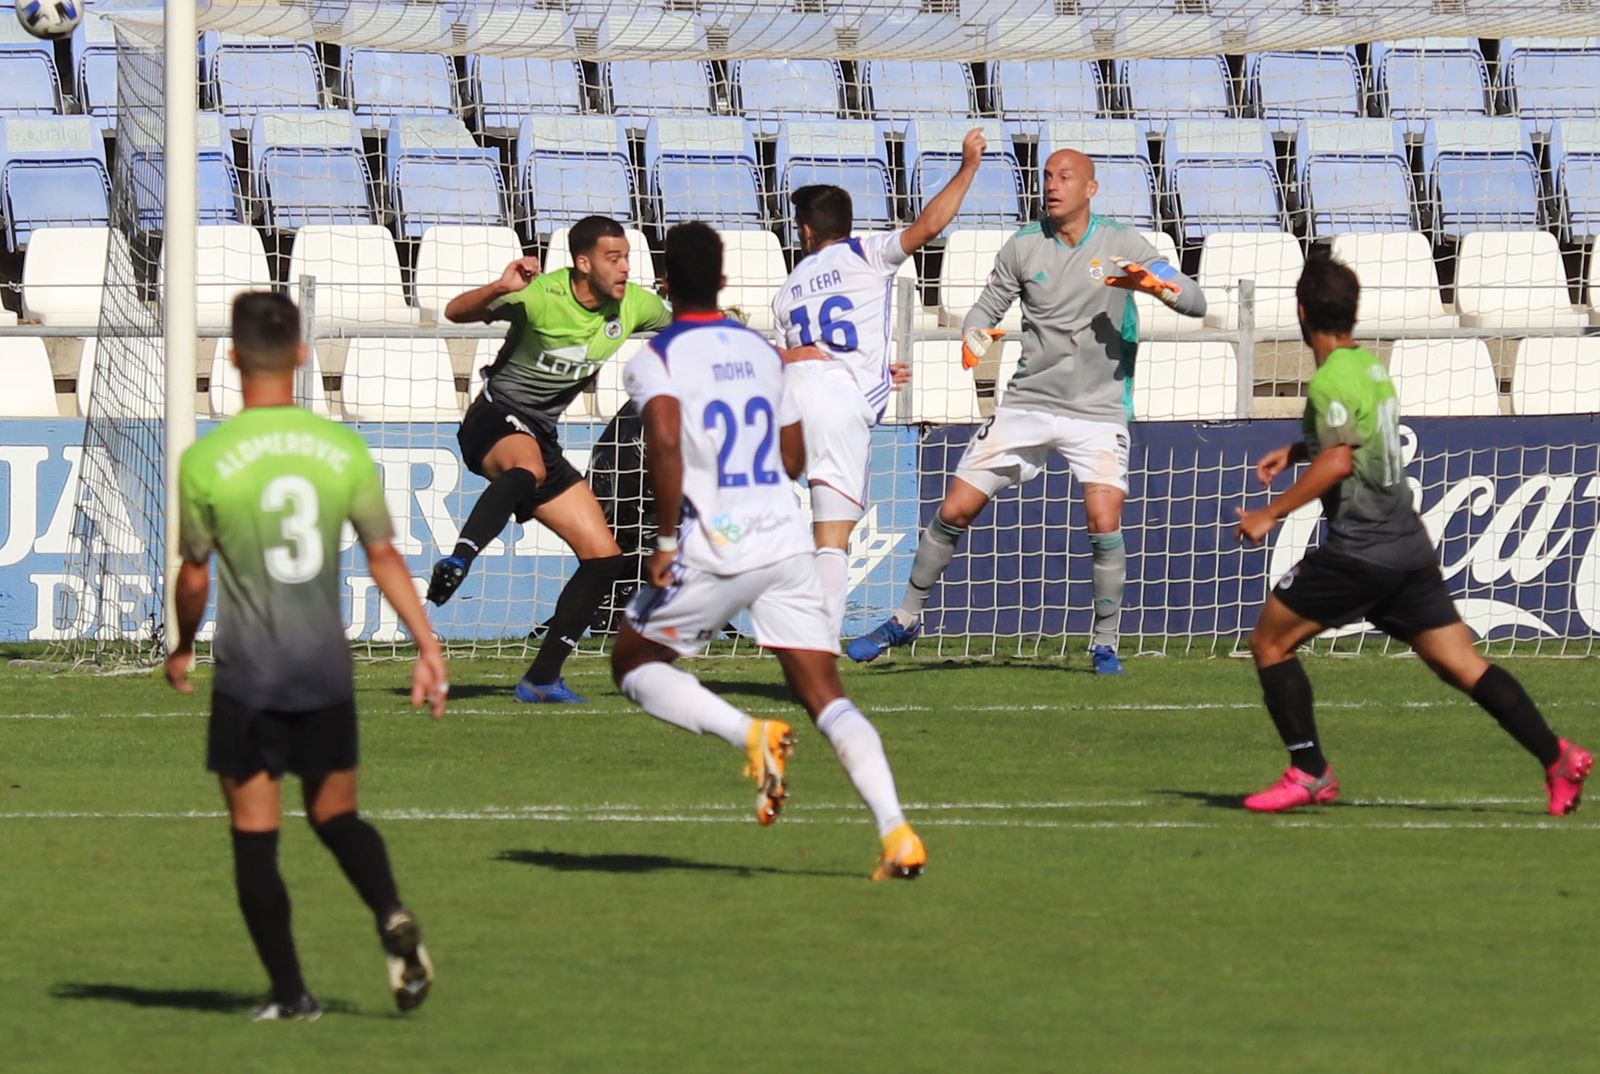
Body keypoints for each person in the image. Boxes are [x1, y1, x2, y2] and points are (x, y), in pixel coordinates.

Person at [611, 221, 926, 880]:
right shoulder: (760, 353)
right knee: (825, 695)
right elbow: (791, 455)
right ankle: (896, 831)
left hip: (717, 541)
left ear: (663, 284)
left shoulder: (656, 359)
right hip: (786, 538)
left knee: (634, 662)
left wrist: (667, 540)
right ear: (724, 282)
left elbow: (664, 443)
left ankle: (749, 735)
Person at [165, 292, 449, 1020]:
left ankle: (293, 996)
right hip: (324, 670)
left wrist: (182, 645)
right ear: (300, 355)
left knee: (255, 839)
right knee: (335, 816)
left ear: (230, 359)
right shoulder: (342, 450)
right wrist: (425, 642)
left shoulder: (207, 460)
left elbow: (194, 575)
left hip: (252, 675)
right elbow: (382, 553)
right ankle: (388, 909)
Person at [1232, 249, 1591, 814]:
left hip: (1361, 551)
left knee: (1270, 643)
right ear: (1351, 312)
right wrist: (1299, 449)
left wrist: (1268, 513)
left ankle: (1309, 771)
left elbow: (1340, 462)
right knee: (1462, 665)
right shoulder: (1368, 365)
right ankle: (1557, 757)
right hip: (1405, 546)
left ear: (1301, 313)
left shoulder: (1329, 381)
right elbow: (1355, 439)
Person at [848, 149, 1207, 673]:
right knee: (955, 510)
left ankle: (1104, 642)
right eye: (1047, 176)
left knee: (1103, 518)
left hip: (1098, 409)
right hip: (1027, 403)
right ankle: (905, 619)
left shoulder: (1121, 242)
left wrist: (1161, 287)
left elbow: (1196, 302)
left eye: (1066, 177)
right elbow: (985, 308)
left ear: (1091, 188)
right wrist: (973, 332)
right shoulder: (1022, 246)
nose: (1053, 185)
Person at [432, 215, 672, 703]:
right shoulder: (541, 295)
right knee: (527, 469)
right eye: (613, 258)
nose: (625, 267)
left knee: (604, 558)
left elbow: (685, 324)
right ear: (583, 263)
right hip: (494, 417)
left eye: (627, 256)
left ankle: (541, 678)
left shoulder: (635, 306)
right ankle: (460, 558)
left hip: (542, 434)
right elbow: (455, 312)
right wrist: (499, 286)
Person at [771, 128, 987, 636]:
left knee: (765, 512)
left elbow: (791, 357)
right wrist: (969, 167)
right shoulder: (868, 253)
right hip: (838, 403)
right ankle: (817, 644)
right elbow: (931, 223)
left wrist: (869, 371)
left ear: (805, 232)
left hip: (787, 396)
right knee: (831, 536)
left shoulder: (786, 291)